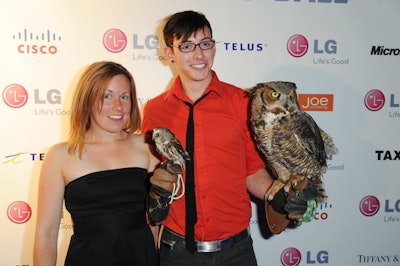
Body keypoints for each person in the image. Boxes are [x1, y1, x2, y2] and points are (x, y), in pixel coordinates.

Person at [142, 10, 317, 266]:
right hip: (176, 251)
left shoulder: (243, 103)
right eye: (187, 46)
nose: (199, 55)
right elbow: (152, 179)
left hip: (236, 252)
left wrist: (279, 196)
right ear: (170, 53)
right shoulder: (155, 110)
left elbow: (252, 171)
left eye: (205, 44)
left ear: (213, 47)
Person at [33, 61, 159, 266]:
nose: (117, 106)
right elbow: (46, 234)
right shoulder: (60, 156)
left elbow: (154, 224)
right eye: (106, 96)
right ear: (87, 100)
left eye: (124, 97)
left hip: (141, 257)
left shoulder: (146, 146)